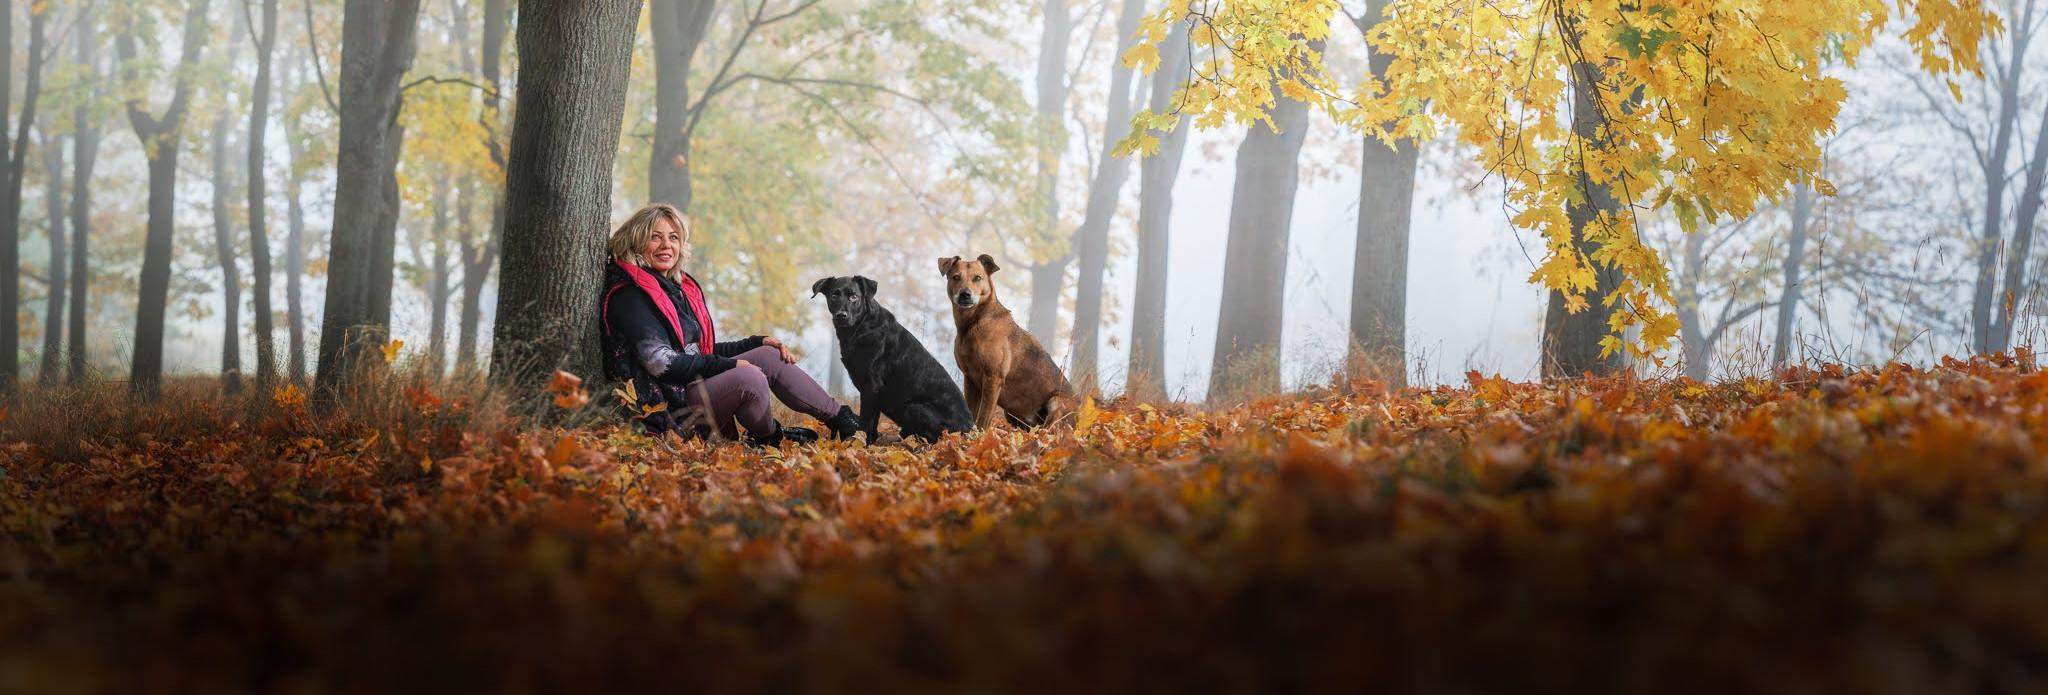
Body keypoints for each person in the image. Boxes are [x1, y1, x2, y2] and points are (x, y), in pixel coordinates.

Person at [600, 204, 860, 444]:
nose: (666, 245)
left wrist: (753, 343)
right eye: (655, 237)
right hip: (667, 407)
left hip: (688, 390)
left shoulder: (672, 289)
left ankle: (846, 422)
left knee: (768, 355)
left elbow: (700, 351)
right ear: (635, 242)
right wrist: (731, 365)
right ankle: (769, 439)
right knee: (748, 376)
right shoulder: (630, 296)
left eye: (673, 237)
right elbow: (661, 363)